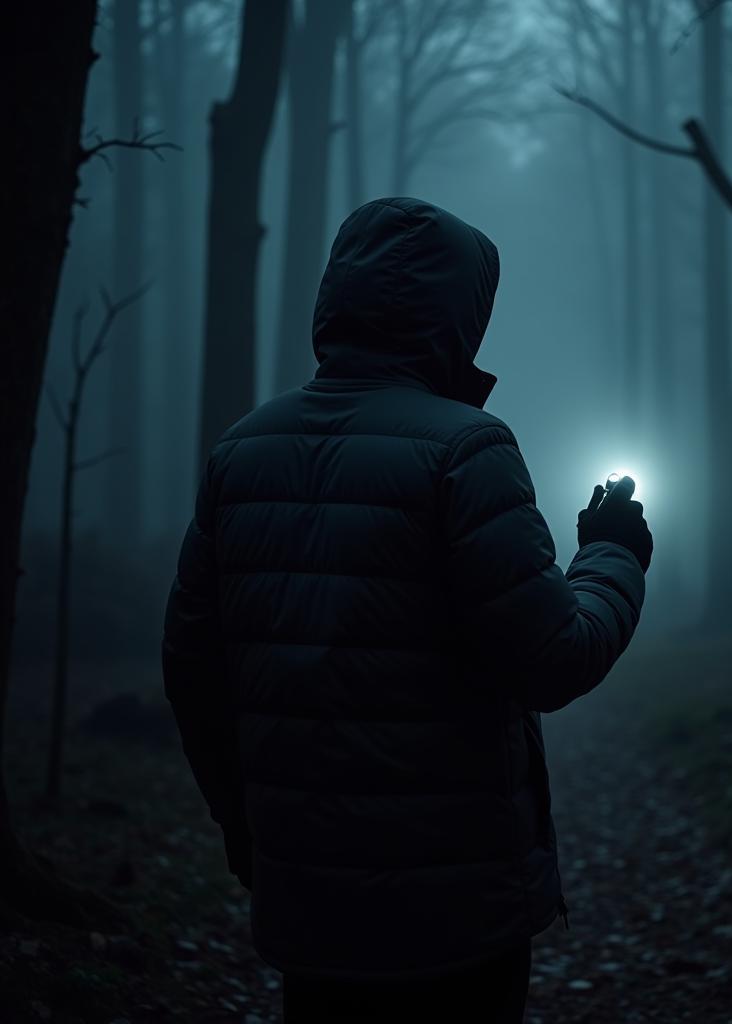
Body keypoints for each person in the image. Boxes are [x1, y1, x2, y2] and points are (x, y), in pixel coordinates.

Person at [162, 197, 653, 1023]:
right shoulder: (467, 448)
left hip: (306, 903)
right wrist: (612, 554)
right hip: (456, 912)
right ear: (460, 314)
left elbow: (190, 667)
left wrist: (248, 832)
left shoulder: (241, 450)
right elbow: (552, 658)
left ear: (335, 296)